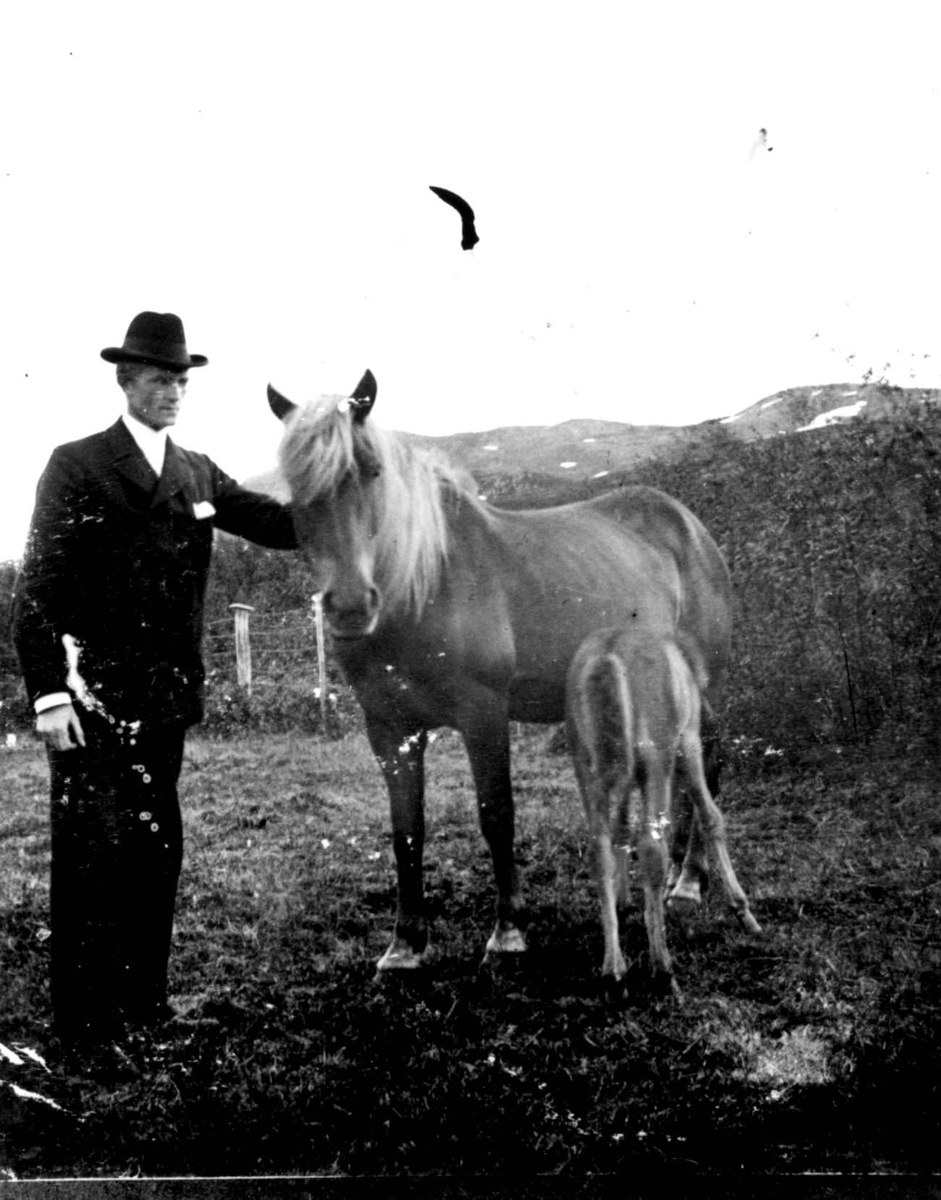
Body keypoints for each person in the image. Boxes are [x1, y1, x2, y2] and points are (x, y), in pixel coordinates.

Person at [12, 311, 297, 1065]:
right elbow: (37, 586)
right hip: (88, 698)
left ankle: (144, 1010)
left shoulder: (198, 472)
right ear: (125, 380)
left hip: (162, 700)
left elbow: (277, 523)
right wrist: (48, 694)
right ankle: (84, 1027)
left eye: (180, 380)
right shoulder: (77, 464)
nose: (172, 391)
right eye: (157, 379)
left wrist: (345, 493)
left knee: (152, 849)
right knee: (89, 854)